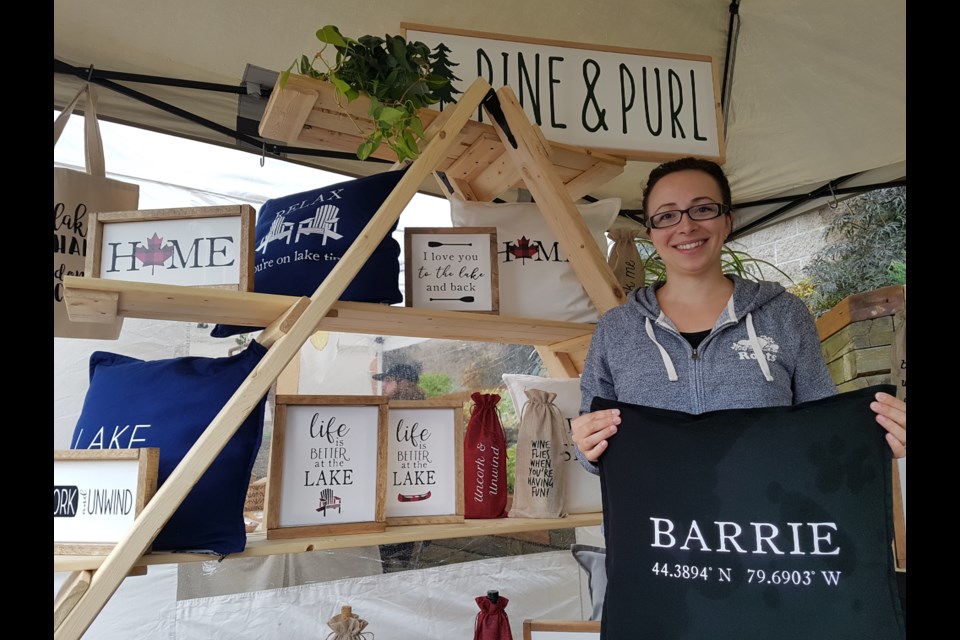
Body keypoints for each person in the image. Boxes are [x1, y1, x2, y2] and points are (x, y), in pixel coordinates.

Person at [572, 157, 906, 471]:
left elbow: (819, 425)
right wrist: (587, 445)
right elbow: (591, 447)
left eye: (703, 209)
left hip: (766, 524)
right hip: (655, 527)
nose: (686, 226)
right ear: (651, 234)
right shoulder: (616, 329)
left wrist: (871, 439)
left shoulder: (784, 314)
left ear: (727, 220)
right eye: (667, 215)